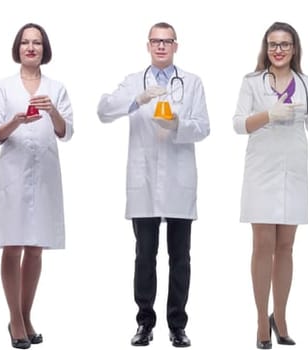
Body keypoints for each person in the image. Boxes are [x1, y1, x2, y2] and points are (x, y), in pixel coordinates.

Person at [231, 22, 308, 350]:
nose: (279, 50)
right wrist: (268, 114)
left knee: (285, 247)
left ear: (294, 48)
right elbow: (239, 124)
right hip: (261, 170)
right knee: (262, 246)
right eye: (273, 44)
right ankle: (261, 320)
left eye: (285, 44)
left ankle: (280, 317)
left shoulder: (306, 83)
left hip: (294, 171)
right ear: (265, 48)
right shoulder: (252, 82)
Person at [95, 22, 210, 348]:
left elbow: (203, 127)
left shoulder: (192, 82)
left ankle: (177, 325)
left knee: (180, 257)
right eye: (156, 41)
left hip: (179, 179)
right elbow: (103, 110)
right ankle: (145, 323)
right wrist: (138, 98)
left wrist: (177, 125)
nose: (161, 46)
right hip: (143, 180)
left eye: (167, 41)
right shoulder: (134, 81)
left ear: (176, 45)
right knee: (144, 255)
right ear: (148, 45)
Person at [0, 22, 74, 350]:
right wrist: (16, 121)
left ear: (44, 49)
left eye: (37, 42)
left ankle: (24, 316)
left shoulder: (56, 87)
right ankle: (16, 319)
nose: (31, 48)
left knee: (36, 247)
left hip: (46, 174)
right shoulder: (4, 87)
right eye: (25, 42)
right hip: (13, 172)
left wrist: (53, 113)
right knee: (12, 245)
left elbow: (67, 132)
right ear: (18, 48)